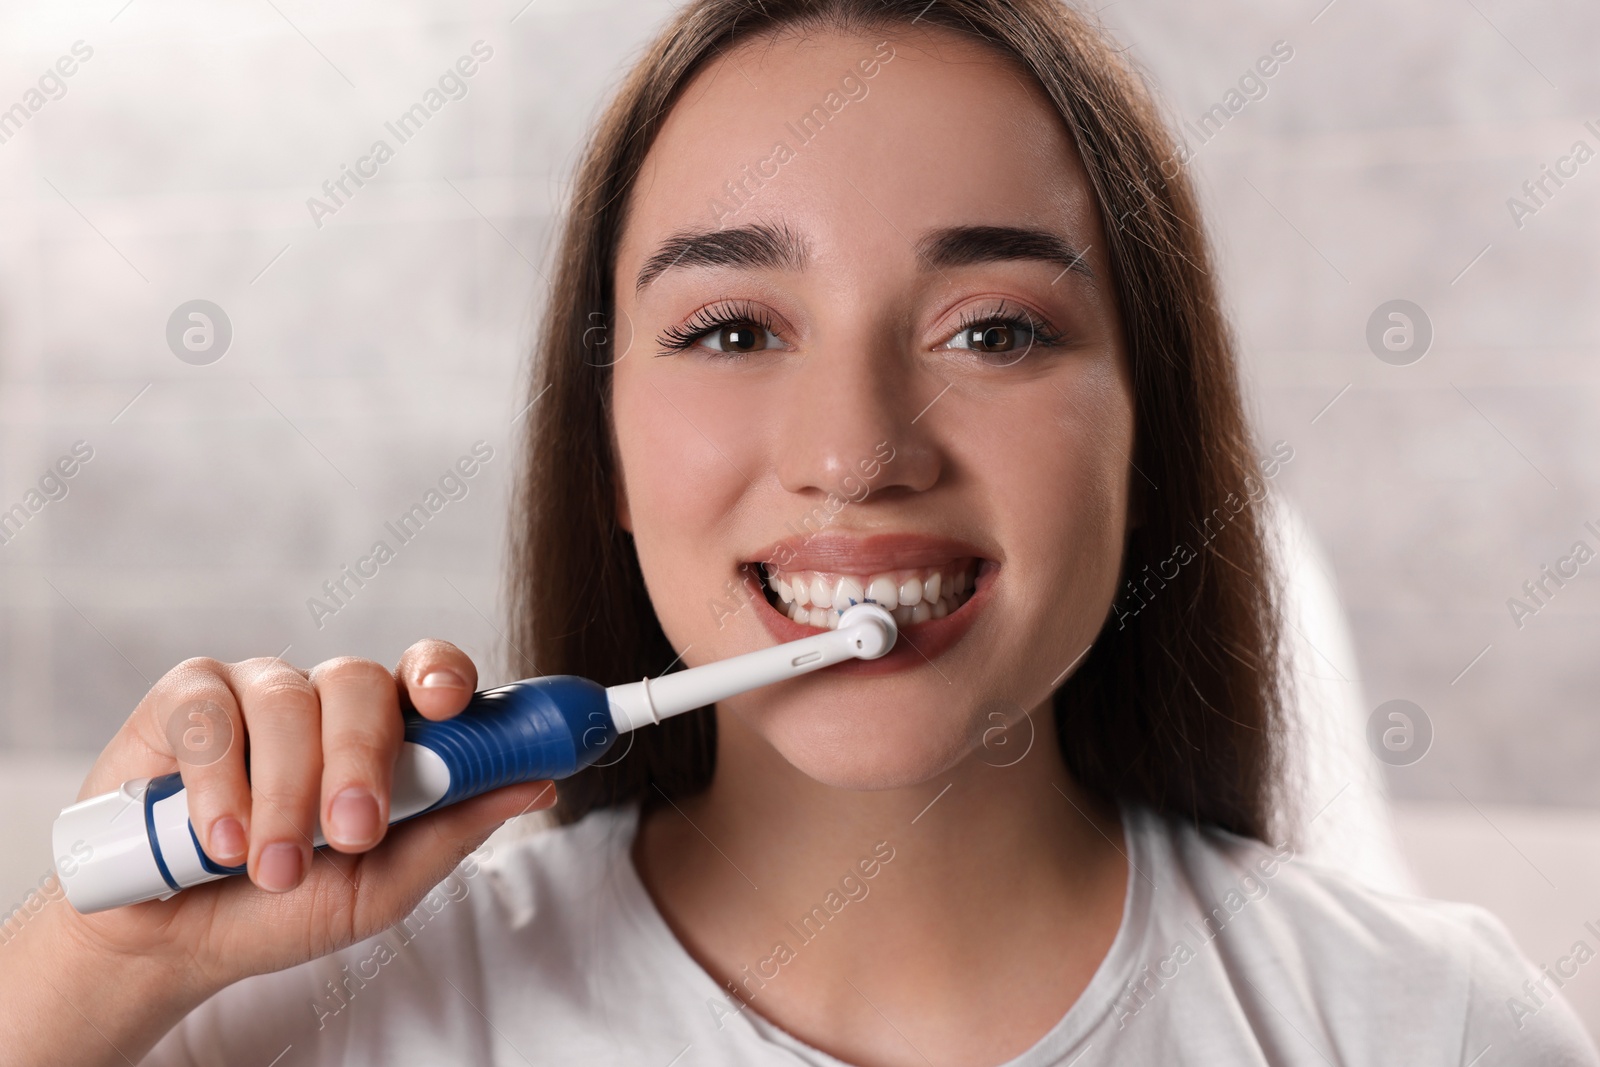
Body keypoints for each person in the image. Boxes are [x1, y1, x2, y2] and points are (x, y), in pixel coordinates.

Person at [4, 1, 1594, 1064]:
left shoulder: (1429, 1029)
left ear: (1147, 430)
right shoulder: (339, 1019)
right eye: (731, 330)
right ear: (609, 442)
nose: (856, 455)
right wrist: (97, 982)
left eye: (994, 332)